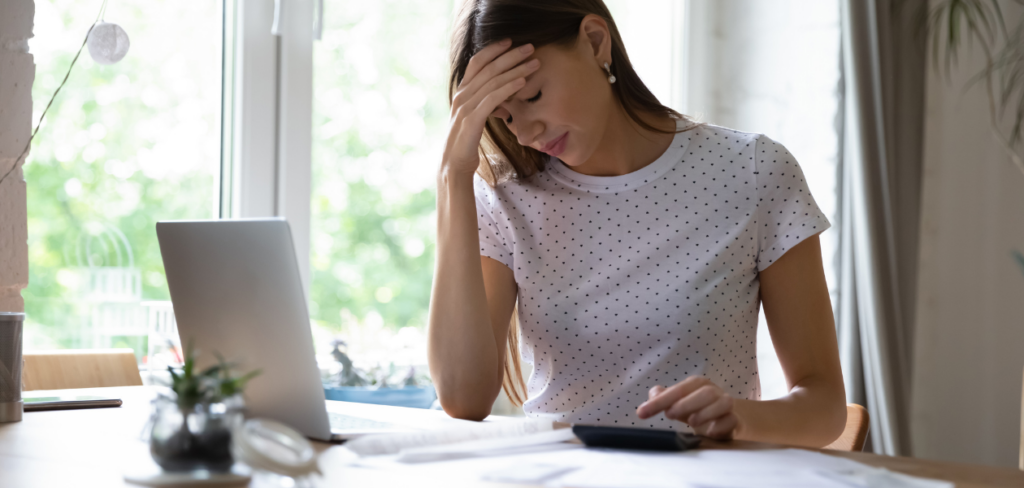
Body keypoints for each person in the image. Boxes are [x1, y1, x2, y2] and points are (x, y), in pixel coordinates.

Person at [427, 0, 846, 448]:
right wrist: (453, 175)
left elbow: (824, 408)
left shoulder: (754, 171)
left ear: (594, 42)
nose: (527, 132)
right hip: (561, 476)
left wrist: (739, 417)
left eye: (532, 96)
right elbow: (463, 398)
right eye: (506, 117)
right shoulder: (506, 200)